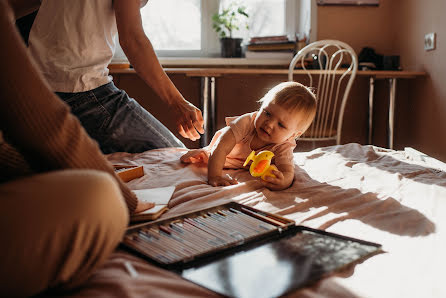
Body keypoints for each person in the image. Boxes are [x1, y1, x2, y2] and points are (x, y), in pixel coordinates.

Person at [0, 1, 155, 295]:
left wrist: (39, 169)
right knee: (98, 193)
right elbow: (43, 124)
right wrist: (128, 201)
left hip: (89, 86)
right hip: (87, 90)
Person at [12, 0, 204, 154]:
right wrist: (177, 102)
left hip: (36, 88)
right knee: (178, 159)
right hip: (83, 88)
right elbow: (132, 39)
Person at [181, 82, 317, 191]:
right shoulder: (245, 123)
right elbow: (221, 148)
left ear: (293, 134)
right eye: (267, 113)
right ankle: (205, 153)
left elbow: (287, 170)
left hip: (244, 165)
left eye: (281, 125)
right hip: (223, 155)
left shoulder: (284, 145)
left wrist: (282, 181)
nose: (269, 124)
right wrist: (215, 176)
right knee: (206, 156)